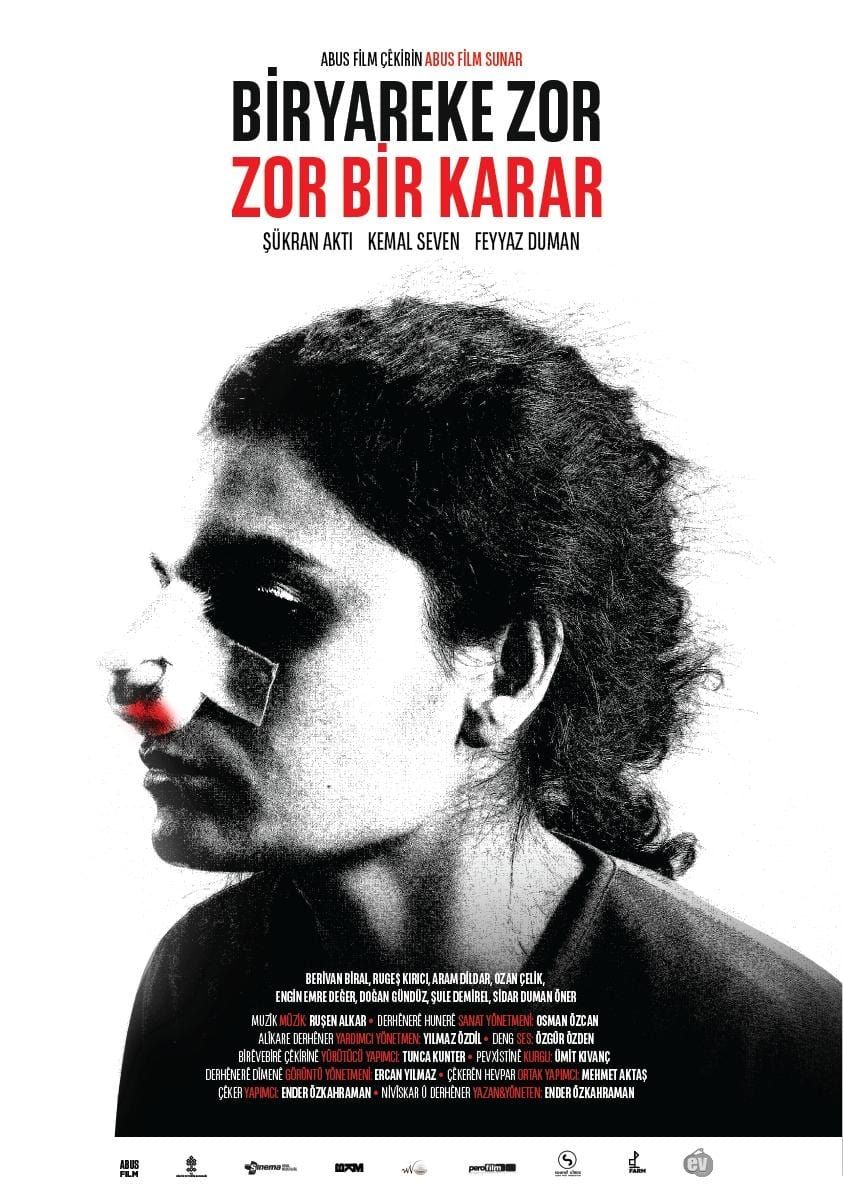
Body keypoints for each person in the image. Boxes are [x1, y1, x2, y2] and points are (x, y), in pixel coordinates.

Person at [111, 299, 840, 1137]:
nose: (138, 685)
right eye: (170, 593)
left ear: (506, 670)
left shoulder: (771, 1050)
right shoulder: (200, 985)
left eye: (266, 605)